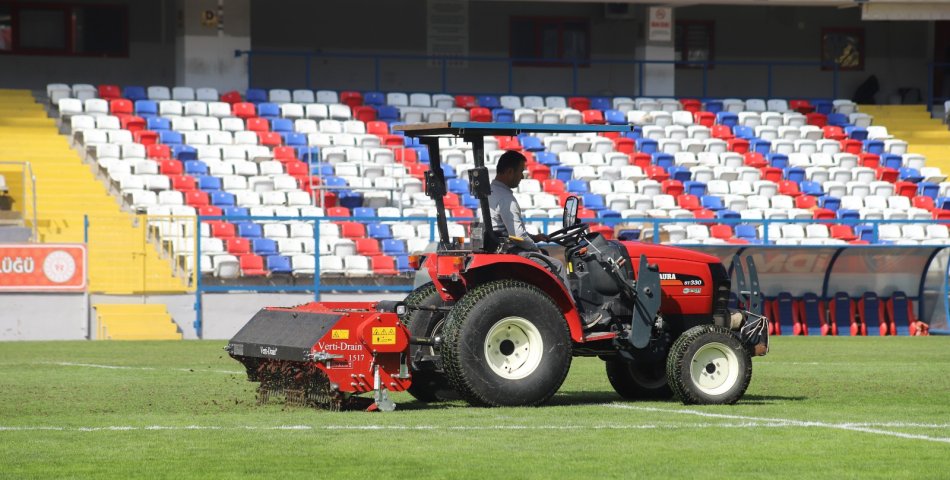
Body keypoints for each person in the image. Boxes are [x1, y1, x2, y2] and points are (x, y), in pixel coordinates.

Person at [488, 150, 569, 286]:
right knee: (558, 265)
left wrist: (534, 237)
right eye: (521, 172)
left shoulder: (490, 191)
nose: (522, 177)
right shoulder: (506, 199)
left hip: (499, 244)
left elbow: (507, 230)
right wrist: (534, 247)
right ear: (509, 172)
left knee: (544, 254)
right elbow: (517, 234)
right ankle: (570, 306)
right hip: (510, 250)